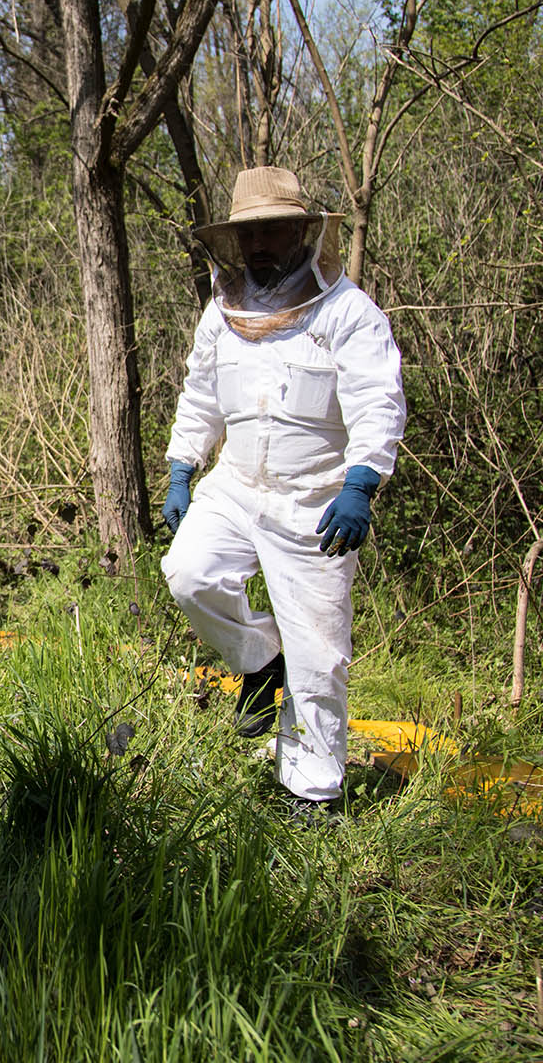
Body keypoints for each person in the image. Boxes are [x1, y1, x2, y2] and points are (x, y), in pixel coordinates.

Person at [159, 165, 405, 822]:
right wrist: (183, 466)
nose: (260, 244)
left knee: (320, 656)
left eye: (273, 229)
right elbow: (202, 392)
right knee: (188, 575)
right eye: (249, 233)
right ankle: (258, 658)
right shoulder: (223, 309)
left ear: (302, 230)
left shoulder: (349, 313)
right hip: (236, 484)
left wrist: (361, 483)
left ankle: (313, 791)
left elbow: (378, 402)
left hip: (316, 499)